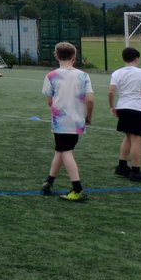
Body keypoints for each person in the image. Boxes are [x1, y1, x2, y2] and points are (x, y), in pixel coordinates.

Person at [40, 42, 93, 201]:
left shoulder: (51, 76)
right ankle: (49, 181)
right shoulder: (83, 75)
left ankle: (77, 189)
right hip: (77, 120)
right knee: (61, 150)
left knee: (66, 152)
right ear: (74, 57)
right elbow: (90, 99)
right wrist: (88, 116)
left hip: (61, 121)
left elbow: (49, 101)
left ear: (56, 56)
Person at [110, 46, 141, 181]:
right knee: (137, 139)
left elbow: (111, 92)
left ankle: (122, 166)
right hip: (136, 108)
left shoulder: (117, 73)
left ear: (124, 59)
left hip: (122, 107)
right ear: (137, 59)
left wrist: (112, 107)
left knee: (128, 137)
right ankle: (136, 171)